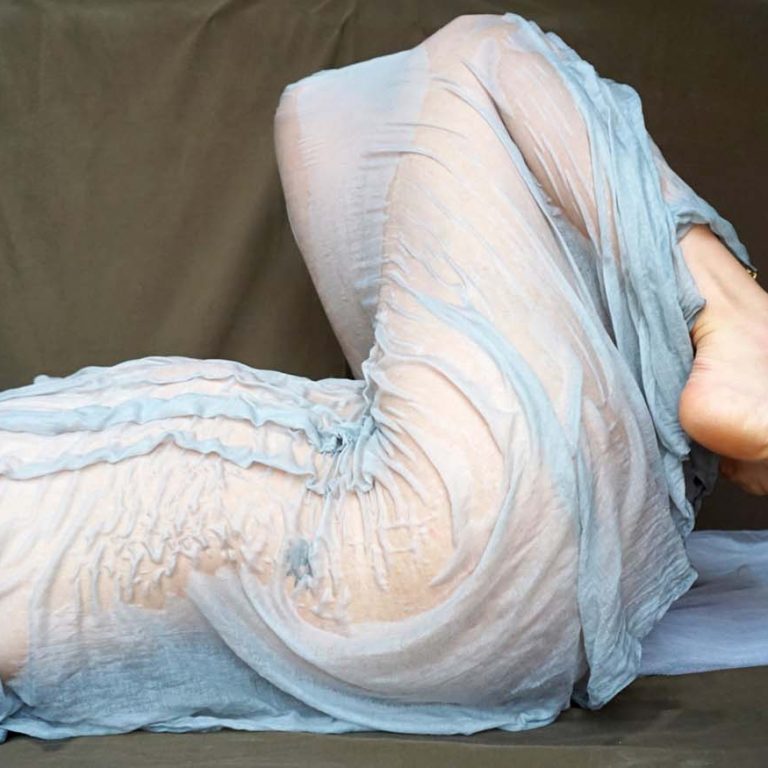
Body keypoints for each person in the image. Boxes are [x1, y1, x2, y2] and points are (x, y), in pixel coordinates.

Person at [0, 11, 763, 741]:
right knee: (481, 52)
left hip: (427, 518)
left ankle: (722, 356)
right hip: (431, 548)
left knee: (328, 113)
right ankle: (734, 322)